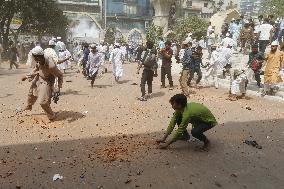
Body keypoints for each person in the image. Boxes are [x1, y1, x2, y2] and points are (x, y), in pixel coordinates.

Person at [21, 46, 63, 121]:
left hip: (47, 81)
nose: (33, 59)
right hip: (38, 78)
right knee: (31, 93)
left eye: (34, 57)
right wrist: (27, 76)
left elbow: (60, 75)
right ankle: (29, 106)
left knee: (42, 102)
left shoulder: (51, 65)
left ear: (37, 57)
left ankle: (51, 115)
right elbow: (36, 69)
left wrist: (58, 88)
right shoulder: (39, 61)